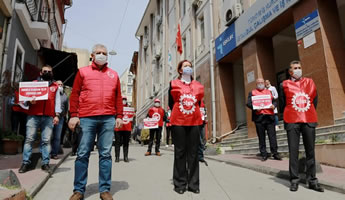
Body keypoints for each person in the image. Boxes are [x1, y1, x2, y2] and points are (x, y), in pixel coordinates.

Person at [68, 44, 123, 200]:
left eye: (104, 53)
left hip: (108, 118)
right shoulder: (82, 72)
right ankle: (78, 190)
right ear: (92, 55)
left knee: (105, 154)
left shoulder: (114, 75)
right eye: (98, 53)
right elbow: (75, 94)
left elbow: (118, 97)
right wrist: (73, 115)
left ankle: (104, 190)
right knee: (83, 153)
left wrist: (119, 116)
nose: (101, 55)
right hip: (86, 117)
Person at [280, 60, 324, 192]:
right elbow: (282, 103)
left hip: (308, 119)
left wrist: (306, 111)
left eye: (299, 67)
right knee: (293, 151)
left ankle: (312, 181)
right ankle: (294, 180)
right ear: (290, 71)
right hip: (292, 120)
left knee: (310, 151)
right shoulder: (284, 84)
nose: (298, 69)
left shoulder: (310, 82)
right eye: (295, 68)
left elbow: (314, 101)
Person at [169, 60, 204, 194]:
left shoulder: (198, 86)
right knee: (180, 152)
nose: (188, 68)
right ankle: (180, 184)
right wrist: (181, 113)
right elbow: (171, 103)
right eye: (185, 66)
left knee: (194, 153)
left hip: (194, 122)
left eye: (190, 66)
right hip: (178, 122)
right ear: (180, 70)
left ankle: (194, 184)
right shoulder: (173, 84)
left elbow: (199, 103)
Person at [18, 65, 61, 173]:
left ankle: (45, 163)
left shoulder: (55, 86)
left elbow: (57, 102)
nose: (47, 73)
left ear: (52, 73)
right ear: (41, 73)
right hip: (33, 115)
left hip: (48, 116)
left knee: (46, 141)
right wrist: (29, 101)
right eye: (45, 71)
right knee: (29, 139)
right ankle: (25, 163)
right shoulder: (33, 84)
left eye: (49, 71)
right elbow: (24, 100)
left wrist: (57, 115)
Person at [246, 78, 281, 161]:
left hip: (269, 117)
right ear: (256, 84)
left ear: (264, 84)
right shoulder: (252, 92)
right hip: (259, 118)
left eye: (262, 82)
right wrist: (255, 108)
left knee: (272, 136)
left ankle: (275, 153)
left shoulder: (269, 92)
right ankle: (264, 154)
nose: (260, 84)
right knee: (261, 137)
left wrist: (274, 105)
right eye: (259, 83)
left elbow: (274, 101)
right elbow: (248, 103)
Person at [51, 80, 69, 159]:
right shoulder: (52, 93)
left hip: (60, 118)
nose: (60, 86)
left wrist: (64, 116)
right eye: (58, 84)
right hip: (50, 117)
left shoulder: (64, 95)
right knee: (48, 136)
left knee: (57, 136)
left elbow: (66, 107)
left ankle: (54, 153)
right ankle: (45, 153)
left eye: (61, 84)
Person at [114, 97, 132, 163]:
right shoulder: (117, 109)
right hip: (118, 128)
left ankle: (125, 157)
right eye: (122, 100)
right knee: (117, 143)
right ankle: (117, 157)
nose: (123, 101)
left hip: (127, 128)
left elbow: (131, 118)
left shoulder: (129, 108)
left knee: (126, 143)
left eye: (125, 100)